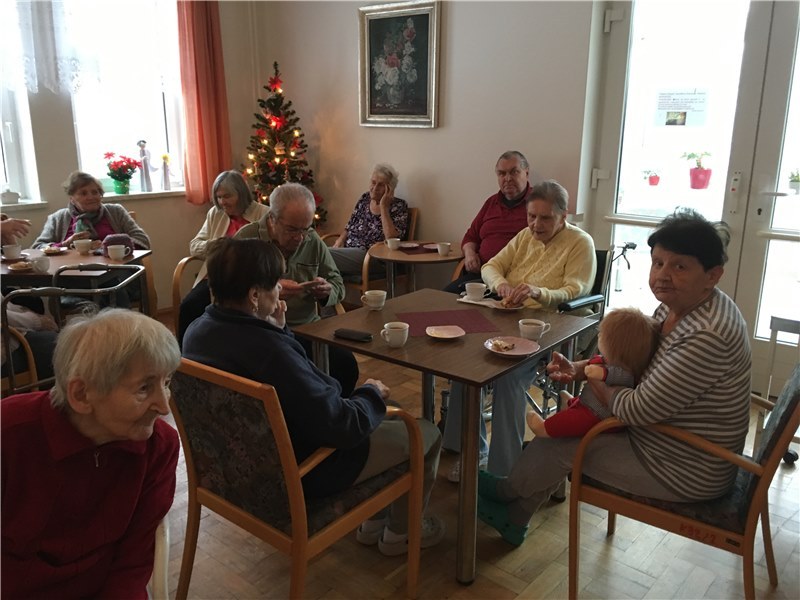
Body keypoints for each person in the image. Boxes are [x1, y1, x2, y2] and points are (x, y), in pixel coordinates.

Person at [476, 208, 751, 546]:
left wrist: (595, 377)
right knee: (567, 431)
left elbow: (635, 410)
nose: (662, 276)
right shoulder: (679, 305)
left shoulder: (707, 335)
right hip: (667, 441)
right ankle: (514, 515)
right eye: (658, 263)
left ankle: (507, 495)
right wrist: (581, 367)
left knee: (560, 441)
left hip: (683, 467)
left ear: (713, 275)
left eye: (679, 267)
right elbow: (635, 361)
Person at [182, 237, 445, 555]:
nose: (280, 291)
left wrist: (279, 330)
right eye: (275, 285)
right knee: (425, 432)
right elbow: (342, 425)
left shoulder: (196, 332)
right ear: (254, 296)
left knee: (391, 408)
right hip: (307, 470)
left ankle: (374, 523)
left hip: (241, 470)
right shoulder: (270, 352)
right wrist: (370, 391)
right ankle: (400, 535)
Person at [1, 309, 181, 597]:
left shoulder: (160, 447)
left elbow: (133, 561)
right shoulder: (9, 432)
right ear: (81, 395)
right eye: (144, 388)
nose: (164, 406)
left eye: (167, 383)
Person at [443, 180, 596, 481]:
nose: (536, 225)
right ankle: (471, 451)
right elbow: (490, 266)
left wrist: (539, 292)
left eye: (545, 218)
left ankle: (504, 470)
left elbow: (576, 289)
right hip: (509, 320)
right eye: (531, 216)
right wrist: (500, 285)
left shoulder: (580, 243)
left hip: (552, 327)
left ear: (564, 216)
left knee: (509, 378)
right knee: (465, 365)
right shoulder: (524, 236)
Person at [235, 182, 358, 395]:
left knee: (346, 364)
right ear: (272, 219)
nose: (300, 238)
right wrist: (270, 291)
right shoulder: (246, 239)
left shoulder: (312, 241)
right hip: (262, 331)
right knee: (290, 377)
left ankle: (335, 412)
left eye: (305, 229)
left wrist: (327, 291)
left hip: (308, 329)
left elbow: (337, 282)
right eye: (292, 229)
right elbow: (231, 293)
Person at [526, 307, 659, 438]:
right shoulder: (609, 361)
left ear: (616, 347)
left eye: (603, 336)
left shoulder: (622, 373)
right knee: (580, 400)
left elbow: (608, 375)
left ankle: (545, 428)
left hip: (599, 415)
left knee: (572, 420)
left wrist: (598, 372)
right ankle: (571, 403)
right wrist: (576, 367)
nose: (599, 336)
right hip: (592, 402)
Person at [176, 170, 269, 345]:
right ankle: (186, 354)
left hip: (249, 279)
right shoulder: (215, 213)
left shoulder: (263, 213)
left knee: (232, 314)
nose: (222, 202)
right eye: (218, 197)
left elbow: (268, 252)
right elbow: (194, 246)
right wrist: (217, 245)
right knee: (189, 305)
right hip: (216, 278)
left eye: (227, 196)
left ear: (241, 193)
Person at [444, 151, 532, 294]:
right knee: (442, 298)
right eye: (502, 174)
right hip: (481, 275)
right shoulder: (491, 202)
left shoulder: (537, 204)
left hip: (516, 280)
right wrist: (470, 254)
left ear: (526, 173)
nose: (508, 178)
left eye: (514, 172)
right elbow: (471, 237)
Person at [328, 163, 409, 280]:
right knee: (319, 257)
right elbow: (350, 225)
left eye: (381, 185)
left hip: (372, 257)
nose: (375, 188)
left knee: (321, 253)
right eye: (373, 182)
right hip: (350, 252)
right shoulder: (364, 199)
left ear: (390, 189)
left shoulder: (399, 206)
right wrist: (340, 241)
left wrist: (384, 207)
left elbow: (391, 239)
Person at [32, 171, 150, 250]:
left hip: (114, 273)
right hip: (70, 273)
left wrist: (107, 246)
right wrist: (64, 245)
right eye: (83, 193)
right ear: (72, 198)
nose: (91, 197)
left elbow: (142, 240)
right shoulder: (57, 218)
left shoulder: (116, 211)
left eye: (95, 192)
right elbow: (37, 247)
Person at [1, 292, 59, 382]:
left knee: (57, 342)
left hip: (10, 336)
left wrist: (31, 314)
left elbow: (5, 306)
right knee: (56, 346)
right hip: (5, 350)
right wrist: (37, 321)